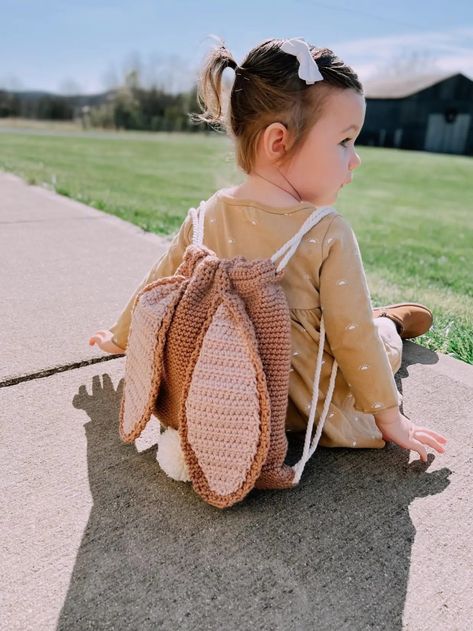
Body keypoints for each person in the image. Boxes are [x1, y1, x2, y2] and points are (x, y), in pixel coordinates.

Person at [89, 37, 447, 463]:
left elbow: (157, 291)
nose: (356, 160)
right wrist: (390, 419)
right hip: (306, 402)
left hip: (230, 387)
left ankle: (385, 320)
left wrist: (120, 336)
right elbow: (353, 339)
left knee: (360, 326)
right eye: (345, 142)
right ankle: (388, 324)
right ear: (278, 141)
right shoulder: (326, 230)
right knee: (375, 340)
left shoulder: (207, 215)